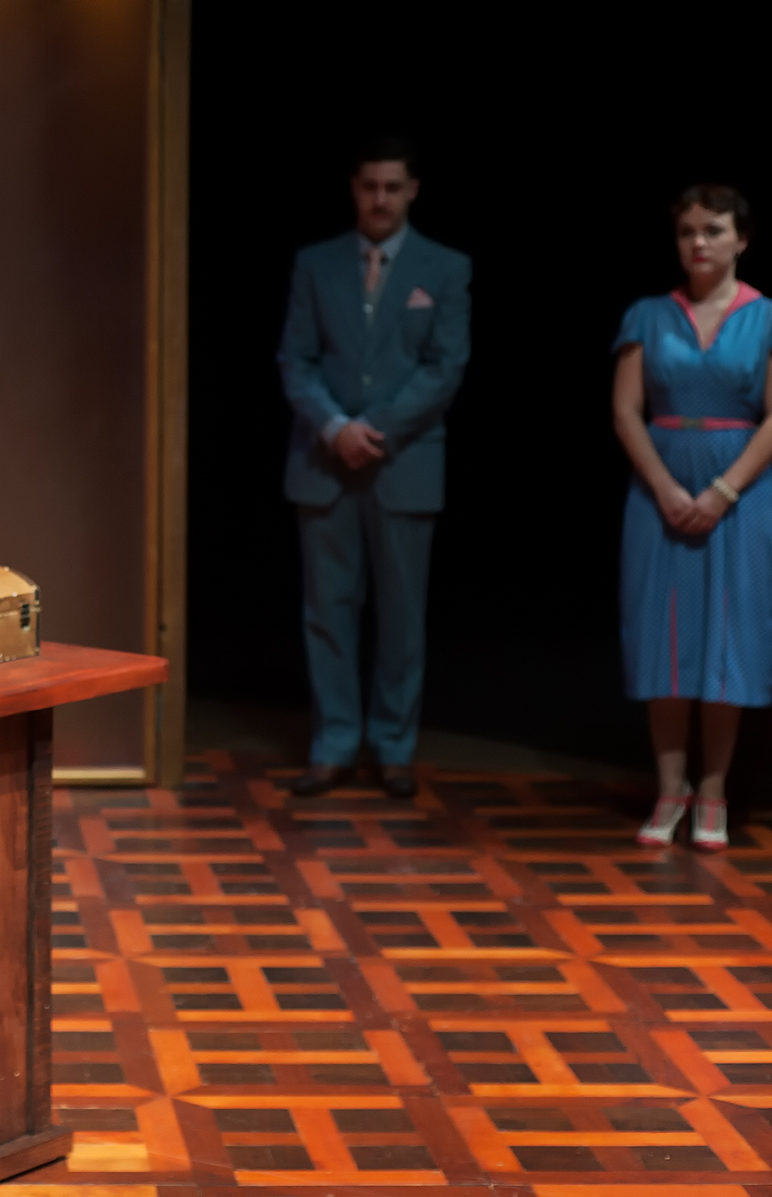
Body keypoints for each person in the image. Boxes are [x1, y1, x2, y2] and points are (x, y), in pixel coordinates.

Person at [615, 184, 772, 851]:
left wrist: (722, 491)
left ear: (742, 239)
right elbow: (626, 411)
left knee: (728, 635)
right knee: (663, 635)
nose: (698, 242)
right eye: (687, 232)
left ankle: (713, 790)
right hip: (660, 488)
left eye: (714, 230)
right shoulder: (648, 316)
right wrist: (666, 487)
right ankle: (669, 788)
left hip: (742, 490)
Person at [277, 137, 472, 798]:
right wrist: (336, 427)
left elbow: (444, 367)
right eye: (370, 187)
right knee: (328, 612)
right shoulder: (317, 263)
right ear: (354, 189)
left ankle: (393, 746)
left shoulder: (445, 267)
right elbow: (296, 360)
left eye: (392, 187)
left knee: (401, 618)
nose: (380, 199)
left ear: (412, 189)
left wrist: (376, 429)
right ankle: (334, 743)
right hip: (325, 462)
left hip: (402, 463)